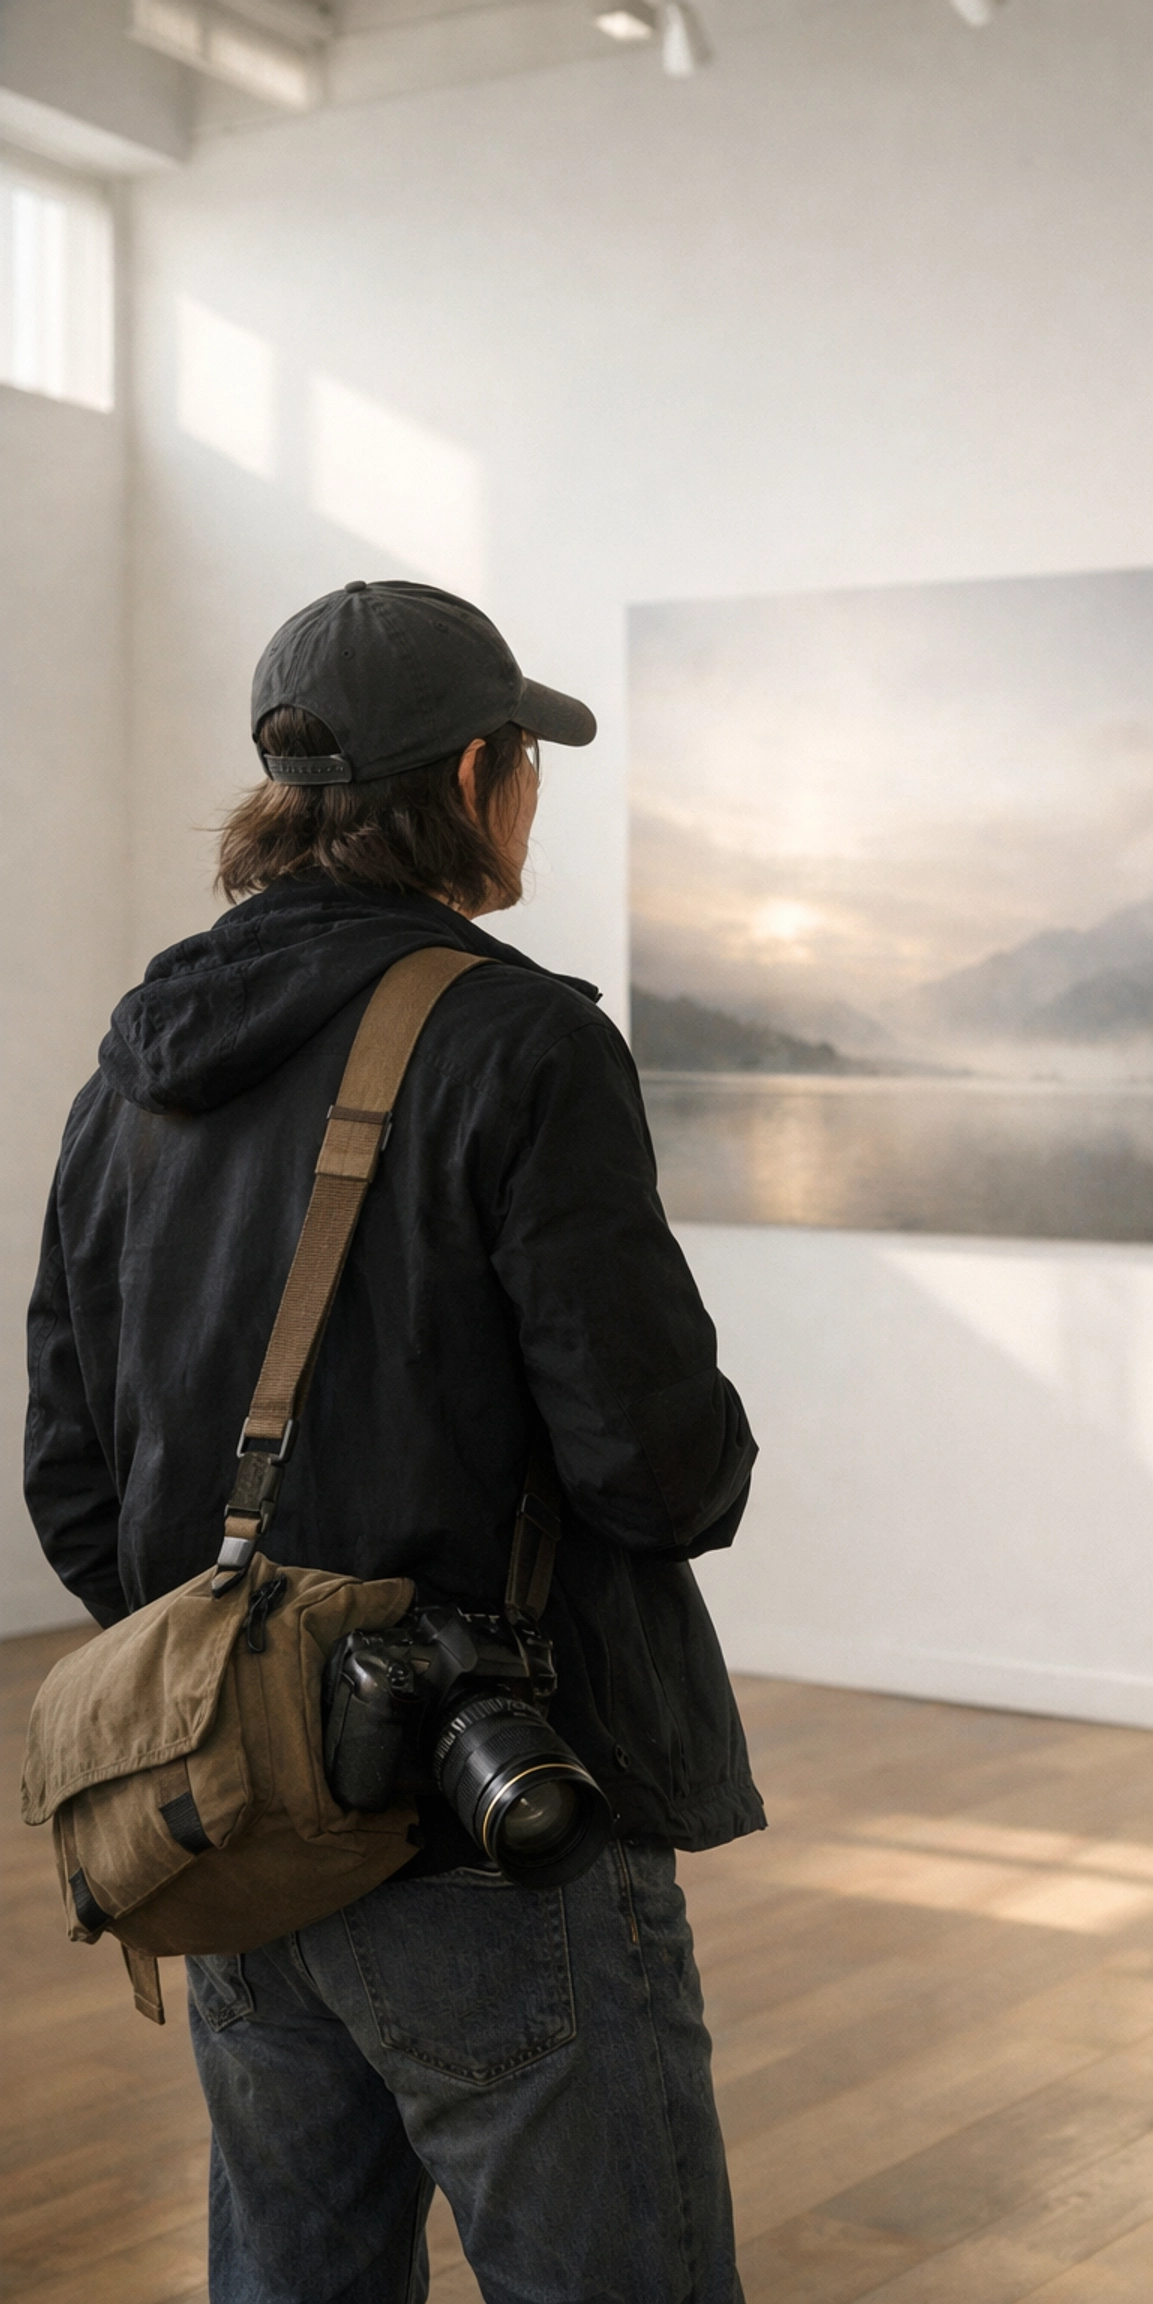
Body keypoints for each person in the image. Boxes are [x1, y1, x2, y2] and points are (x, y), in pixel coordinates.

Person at [24, 580, 761, 2304]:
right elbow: (658, 1472)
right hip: (486, 1823)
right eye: (527, 762)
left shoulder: (130, 1072)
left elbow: (72, 1472)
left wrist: (247, 1663)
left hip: (228, 1816)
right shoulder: (523, 1043)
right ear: (481, 773)